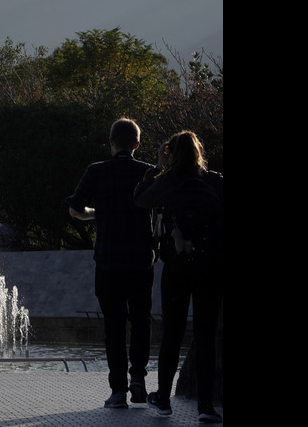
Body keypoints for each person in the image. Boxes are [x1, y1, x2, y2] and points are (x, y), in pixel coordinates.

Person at [135, 131, 223, 423]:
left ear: (171, 153)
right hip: (210, 268)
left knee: (171, 334)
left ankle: (163, 399)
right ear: (199, 152)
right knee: (205, 336)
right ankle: (206, 407)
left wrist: (158, 167)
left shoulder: (168, 182)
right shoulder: (214, 182)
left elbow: (140, 199)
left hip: (176, 268)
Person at [68, 118, 155, 409]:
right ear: (137, 144)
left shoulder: (96, 171)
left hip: (108, 261)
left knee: (114, 326)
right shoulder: (149, 173)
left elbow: (75, 209)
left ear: (111, 142)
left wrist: (97, 214)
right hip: (141, 261)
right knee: (141, 321)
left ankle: (118, 390)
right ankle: (139, 379)